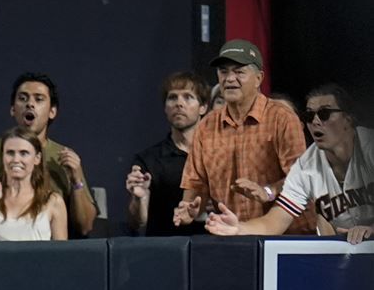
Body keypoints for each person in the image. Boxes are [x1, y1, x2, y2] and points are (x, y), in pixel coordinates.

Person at [206, 83, 374, 243]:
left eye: (324, 114)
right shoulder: (306, 166)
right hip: (351, 251)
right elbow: (275, 220)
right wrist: (239, 228)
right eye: (309, 115)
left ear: (348, 118)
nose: (315, 121)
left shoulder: (369, 146)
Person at [174, 39, 310, 233]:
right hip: (232, 235)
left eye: (239, 72)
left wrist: (269, 191)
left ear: (258, 78)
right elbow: (196, 183)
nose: (229, 79)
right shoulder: (206, 127)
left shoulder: (282, 119)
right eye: (224, 71)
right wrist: (190, 207)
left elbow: (301, 180)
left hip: (286, 240)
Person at [0, 73, 97, 237]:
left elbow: (86, 226)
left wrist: (76, 182)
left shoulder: (64, 158)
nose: (30, 104)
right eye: (23, 98)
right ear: (13, 109)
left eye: (38, 99)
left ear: (52, 111)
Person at [125, 72, 210, 235]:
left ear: (203, 107)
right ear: (165, 108)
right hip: (166, 250)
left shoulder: (219, 155)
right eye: (172, 98)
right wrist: (139, 198)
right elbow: (137, 222)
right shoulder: (148, 159)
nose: (179, 104)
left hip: (213, 246)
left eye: (188, 97)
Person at [0, 127, 67, 241]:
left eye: (24, 153)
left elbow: (61, 254)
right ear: (2, 157)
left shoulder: (53, 201)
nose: (16, 159)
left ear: (37, 158)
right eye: (10, 153)